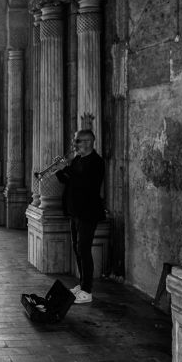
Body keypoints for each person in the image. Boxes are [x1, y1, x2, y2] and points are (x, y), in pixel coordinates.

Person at [55, 129, 105, 304]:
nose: (74, 144)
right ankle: (83, 282)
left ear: (88, 142)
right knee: (77, 248)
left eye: (77, 141)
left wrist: (67, 168)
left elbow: (87, 184)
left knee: (84, 249)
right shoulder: (78, 159)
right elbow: (68, 181)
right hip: (75, 211)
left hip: (88, 212)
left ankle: (87, 290)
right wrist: (59, 170)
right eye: (74, 140)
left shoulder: (96, 162)